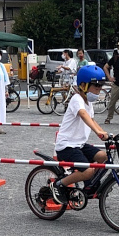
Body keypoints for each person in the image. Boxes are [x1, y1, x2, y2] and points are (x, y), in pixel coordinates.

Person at [47, 64, 109, 204]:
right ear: (83, 85)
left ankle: (89, 186)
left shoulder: (88, 102)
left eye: (100, 87)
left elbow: (92, 119)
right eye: (96, 87)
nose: (98, 90)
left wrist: (105, 133)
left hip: (79, 145)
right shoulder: (77, 99)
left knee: (105, 156)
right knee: (88, 170)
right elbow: (83, 115)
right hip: (67, 146)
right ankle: (59, 184)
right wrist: (98, 132)